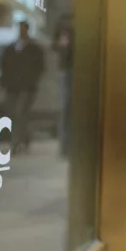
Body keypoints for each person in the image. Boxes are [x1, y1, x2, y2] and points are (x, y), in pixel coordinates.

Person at [0, 21, 45, 154]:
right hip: (12, 87)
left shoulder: (34, 49)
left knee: (20, 113)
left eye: (23, 29)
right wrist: (5, 82)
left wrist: (32, 80)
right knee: (13, 113)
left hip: (27, 87)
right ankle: (23, 138)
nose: (21, 32)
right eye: (20, 29)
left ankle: (16, 143)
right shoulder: (11, 48)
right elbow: (4, 66)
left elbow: (40, 67)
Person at [52, 13, 74, 158]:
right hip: (68, 68)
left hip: (81, 68)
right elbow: (54, 45)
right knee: (66, 108)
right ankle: (65, 147)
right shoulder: (64, 22)